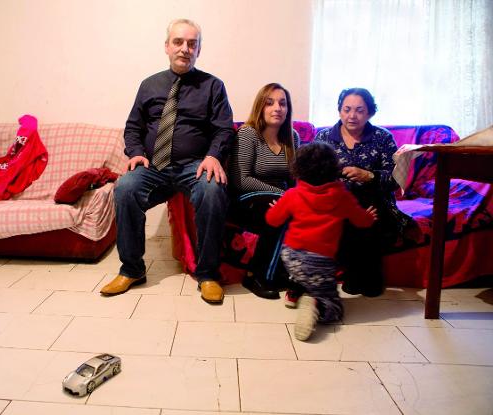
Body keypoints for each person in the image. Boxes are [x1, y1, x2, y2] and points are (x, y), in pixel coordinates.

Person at [100, 19, 234, 304]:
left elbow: (224, 128)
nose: (185, 49)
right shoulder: (149, 85)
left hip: (194, 166)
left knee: (212, 191)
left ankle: (208, 274)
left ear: (198, 49)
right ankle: (132, 269)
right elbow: (133, 127)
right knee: (125, 188)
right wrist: (135, 152)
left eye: (192, 44)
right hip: (154, 167)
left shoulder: (213, 86)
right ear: (167, 46)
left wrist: (213, 156)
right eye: (178, 42)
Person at [265, 142, 377, 341]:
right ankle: (316, 303)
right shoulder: (342, 195)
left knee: (304, 274)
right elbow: (361, 221)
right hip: (320, 260)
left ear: (298, 168)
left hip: (291, 257)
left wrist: (277, 206)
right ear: (334, 168)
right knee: (335, 309)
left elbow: (272, 220)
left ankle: (296, 291)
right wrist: (369, 217)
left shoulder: (293, 194)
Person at [314, 88, 412, 297]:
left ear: (369, 113)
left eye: (359, 110)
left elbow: (396, 179)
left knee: (365, 207)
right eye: (347, 109)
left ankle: (366, 276)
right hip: (335, 202)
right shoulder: (323, 137)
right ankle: (356, 275)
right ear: (339, 111)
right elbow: (311, 173)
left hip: (375, 202)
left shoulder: (382, 138)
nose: (352, 115)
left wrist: (370, 176)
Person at [228, 83, 300, 300]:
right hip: (246, 197)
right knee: (276, 211)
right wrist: (282, 195)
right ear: (260, 106)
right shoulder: (248, 134)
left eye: (282, 103)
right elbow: (241, 180)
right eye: (270, 103)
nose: (277, 108)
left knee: (293, 211)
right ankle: (256, 276)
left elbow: (294, 180)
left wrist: (294, 198)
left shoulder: (292, 138)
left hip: (282, 196)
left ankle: (284, 273)